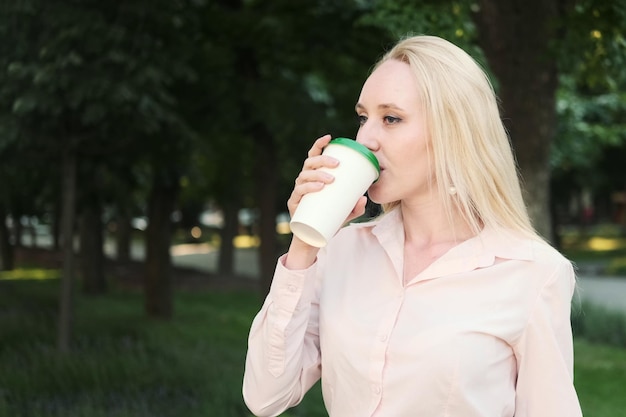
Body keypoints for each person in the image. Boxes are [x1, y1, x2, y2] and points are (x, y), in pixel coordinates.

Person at [242, 35, 583, 417]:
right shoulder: (340, 251)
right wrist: (305, 241)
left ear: (453, 133)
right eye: (363, 117)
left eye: (391, 118)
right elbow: (266, 397)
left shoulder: (533, 273)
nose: (365, 138)